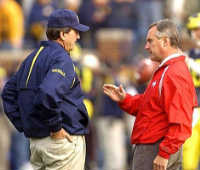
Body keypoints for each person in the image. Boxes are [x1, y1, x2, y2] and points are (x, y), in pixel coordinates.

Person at [103, 19, 197, 170]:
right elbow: (149, 106)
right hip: (154, 146)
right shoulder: (167, 69)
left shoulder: (174, 72)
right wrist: (125, 99)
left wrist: (164, 153)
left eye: (150, 41)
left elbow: (181, 120)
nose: (146, 46)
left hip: (155, 148)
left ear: (165, 42)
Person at [2, 8, 90, 170]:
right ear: (63, 35)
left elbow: (8, 93)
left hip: (37, 143)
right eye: (75, 31)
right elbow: (48, 93)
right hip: (60, 143)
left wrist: (26, 125)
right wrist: (55, 127)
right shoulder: (62, 58)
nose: (78, 36)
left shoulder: (32, 57)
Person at [181, 13, 200, 170]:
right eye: (195, 30)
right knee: (188, 160)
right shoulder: (188, 55)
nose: (198, 33)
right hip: (193, 109)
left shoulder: (188, 58)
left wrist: (189, 63)